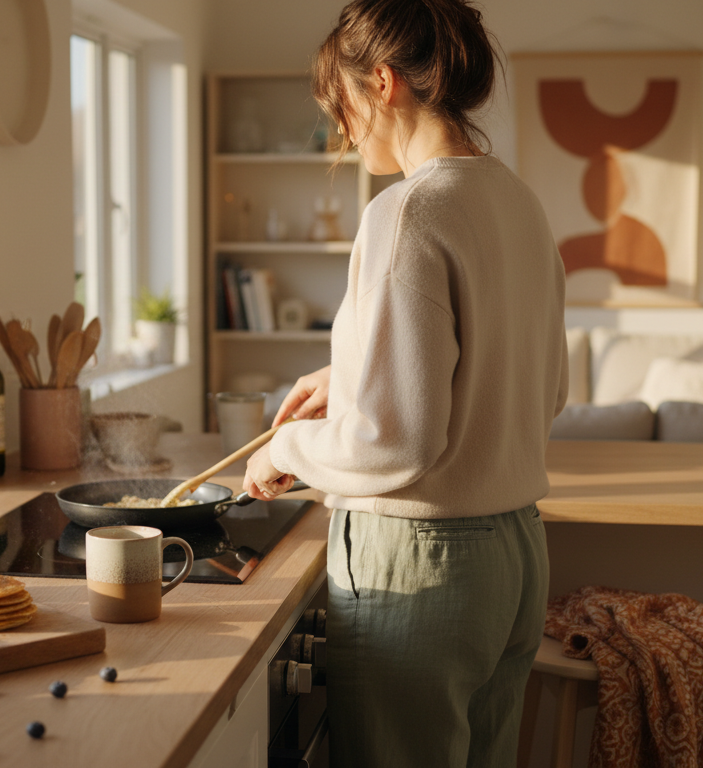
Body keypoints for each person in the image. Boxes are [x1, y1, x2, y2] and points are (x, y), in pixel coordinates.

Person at [241, 0, 568, 765]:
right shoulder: (517, 202)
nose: (343, 131)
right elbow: (540, 385)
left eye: (342, 105)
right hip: (515, 557)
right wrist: (355, 374)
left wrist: (284, 448)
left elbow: (394, 440)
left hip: (424, 569)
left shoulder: (408, 211)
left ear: (383, 84)